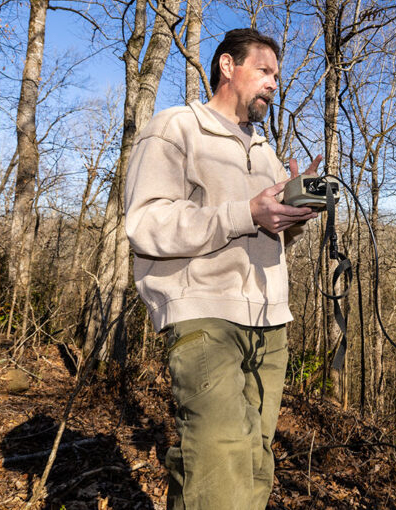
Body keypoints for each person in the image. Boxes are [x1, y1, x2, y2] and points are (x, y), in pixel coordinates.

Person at [125, 28, 322, 510]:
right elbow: (146, 222)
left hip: (270, 321)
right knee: (216, 464)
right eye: (265, 70)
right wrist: (244, 213)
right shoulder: (176, 127)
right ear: (227, 67)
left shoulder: (267, 153)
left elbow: (269, 235)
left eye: (278, 74)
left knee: (255, 462)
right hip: (206, 316)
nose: (275, 82)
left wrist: (294, 211)